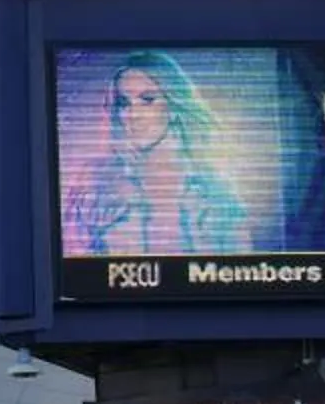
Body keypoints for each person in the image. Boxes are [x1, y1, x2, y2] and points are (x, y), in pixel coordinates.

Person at [67, 50, 249, 255]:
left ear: (173, 107)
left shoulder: (216, 193)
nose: (133, 115)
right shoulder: (94, 183)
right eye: (124, 103)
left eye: (147, 99)